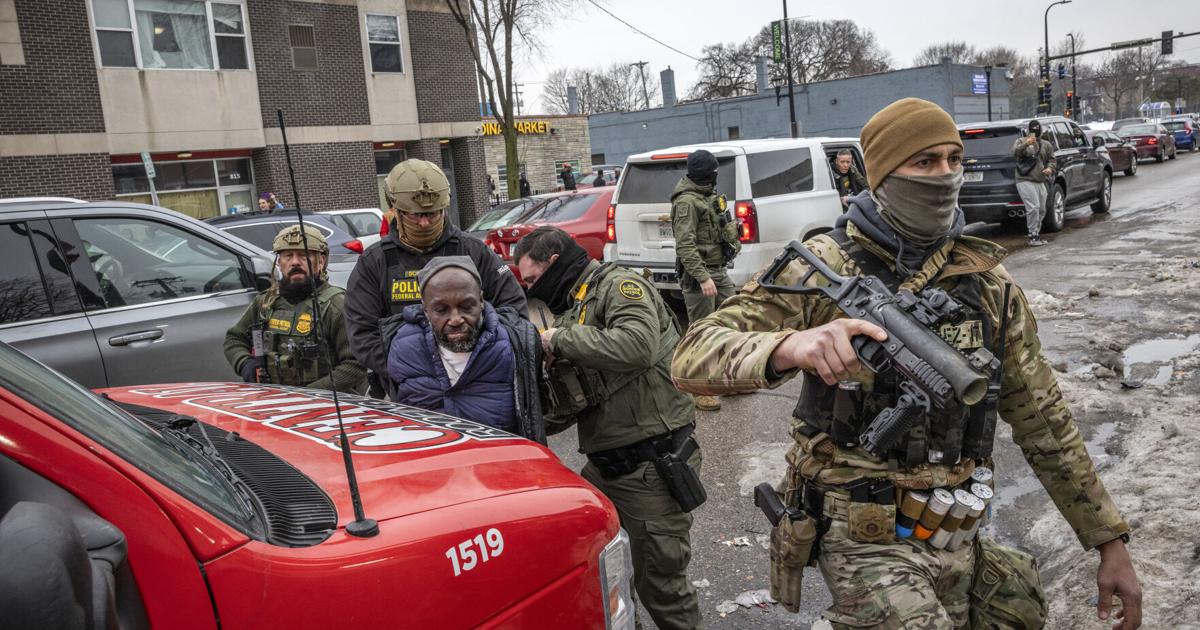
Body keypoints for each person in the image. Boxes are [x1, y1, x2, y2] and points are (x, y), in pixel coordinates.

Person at [672, 98, 1141, 629]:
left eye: (952, 160)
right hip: (860, 535)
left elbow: (1043, 418)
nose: (943, 176)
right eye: (923, 162)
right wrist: (790, 346)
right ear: (882, 176)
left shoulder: (987, 284)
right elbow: (692, 355)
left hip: (955, 530)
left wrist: (1108, 539)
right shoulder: (826, 268)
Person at [514, 226, 703, 630]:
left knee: (662, 585)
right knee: (611, 578)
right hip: (608, 467)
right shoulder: (577, 303)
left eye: (532, 280)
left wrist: (558, 340)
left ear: (553, 265)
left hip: (651, 467)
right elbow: (582, 395)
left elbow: (637, 346)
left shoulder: (619, 286)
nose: (532, 290)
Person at [344, 158, 527, 398]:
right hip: (408, 392)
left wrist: (471, 363)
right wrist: (415, 370)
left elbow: (514, 314)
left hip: (477, 384)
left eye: (432, 214)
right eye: (415, 215)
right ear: (395, 211)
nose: (424, 223)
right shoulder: (375, 262)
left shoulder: (474, 251)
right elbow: (362, 334)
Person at [385, 256, 544, 441]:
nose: (455, 319)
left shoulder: (515, 344)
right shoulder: (403, 349)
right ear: (425, 309)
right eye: (441, 310)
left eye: (466, 307)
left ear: (481, 300)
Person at [224, 225, 366, 393]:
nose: (295, 262)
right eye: (288, 256)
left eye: (304, 255)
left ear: (321, 261)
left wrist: (307, 395)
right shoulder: (266, 302)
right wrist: (244, 363)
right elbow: (234, 339)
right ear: (279, 262)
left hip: (328, 408)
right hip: (274, 402)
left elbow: (356, 365)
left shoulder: (336, 305)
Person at [671, 148, 740, 411]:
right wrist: (702, 278)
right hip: (698, 275)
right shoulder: (687, 202)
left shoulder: (706, 196)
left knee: (733, 317)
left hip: (717, 269)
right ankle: (699, 390)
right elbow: (685, 246)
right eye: (712, 172)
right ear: (704, 173)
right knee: (700, 331)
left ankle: (727, 380)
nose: (715, 176)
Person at [1012, 119, 1056, 247]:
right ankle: (1032, 235)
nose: (1035, 130)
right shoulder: (1021, 141)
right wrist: (1026, 144)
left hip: (1040, 179)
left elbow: (1052, 159)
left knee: (1042, 209)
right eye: (1032, 128)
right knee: (1033, 207)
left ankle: (1036, 231)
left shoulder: (1046, 144)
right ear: (1028, 130)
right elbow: (1015, 153)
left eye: (1037, 128)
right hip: (1024, 179)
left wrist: (1050, 168)